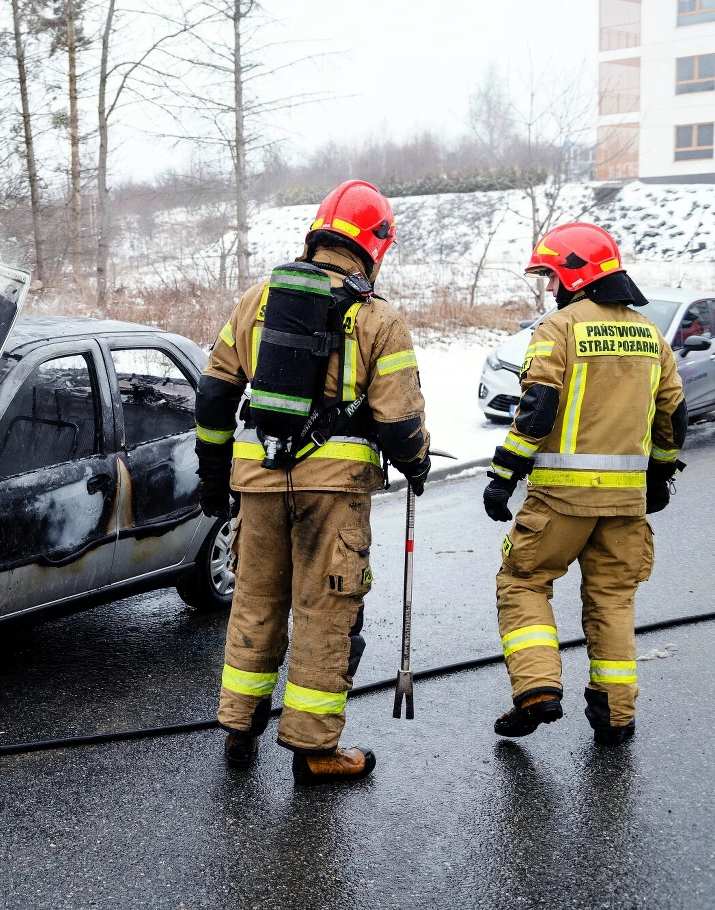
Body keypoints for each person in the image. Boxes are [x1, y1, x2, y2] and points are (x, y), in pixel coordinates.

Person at [194, 180, 432, 784]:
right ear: (374, 245)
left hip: (257, 481)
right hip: (334, 492)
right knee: (326, 612)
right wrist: (418, 463)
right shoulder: (378, 318)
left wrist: (214, 477)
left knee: (255, 601)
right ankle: (314, 748)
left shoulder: (256, 299)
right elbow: (400, 421)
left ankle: (238, 729)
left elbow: (217, 391)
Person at [484, 222, 685, 746]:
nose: (551, 287)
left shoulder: (558, 329)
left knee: (522, 582)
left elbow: (536, 409)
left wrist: (504, 475)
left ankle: (537, 689)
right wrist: (660, 475)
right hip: (625, 503)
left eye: (553, 275)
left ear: (578, 271)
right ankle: (616, 716)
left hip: (560, 501)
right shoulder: (650, 335)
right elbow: (674, 415)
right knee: (613, 601)